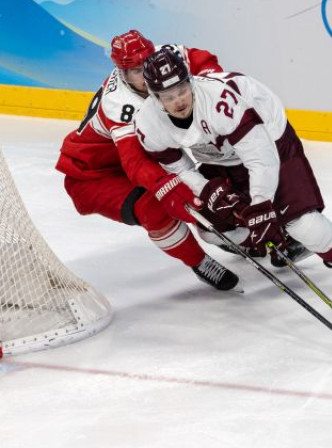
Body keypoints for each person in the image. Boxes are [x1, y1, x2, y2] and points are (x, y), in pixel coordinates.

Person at [133, 48, 332, 294]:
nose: (178, 101)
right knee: (210, 228)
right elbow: (176, 166)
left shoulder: (218, 101)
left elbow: (261, 157)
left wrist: (261, 206)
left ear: (190, 82)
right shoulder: (148, 123)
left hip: (270, 139)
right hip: (220, 154)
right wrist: (206, 189)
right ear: (155, 97)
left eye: (181, 90)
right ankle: (270, 240)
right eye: (168, 96)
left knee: (304, 225)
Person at [55, 30, 240, 291]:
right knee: (154, 207)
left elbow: (202, 59)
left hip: (138, 158)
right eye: (136, 71)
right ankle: (199, 262)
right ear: (122, 73)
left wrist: (211, 84)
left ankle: (230, 232)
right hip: (93, 176)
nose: (145, 74)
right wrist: (167, 186)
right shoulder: (119, 103)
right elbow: (134, 162)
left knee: (213, 175)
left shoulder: (164, 59)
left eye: (146, 63)